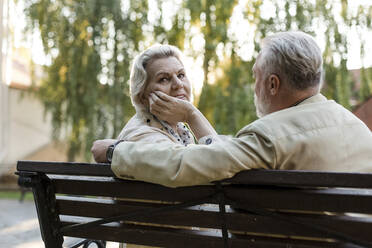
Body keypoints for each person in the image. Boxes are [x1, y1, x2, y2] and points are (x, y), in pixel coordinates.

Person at [92, 31, 372, 187]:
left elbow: (186, 164)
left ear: (272, 84)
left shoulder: (269, 137)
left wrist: (115, 151)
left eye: (255, 76)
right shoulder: (359, 129)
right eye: (164, 78)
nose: (254, 86)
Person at [91, 44, 216, 163]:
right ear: (143, 96)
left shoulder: (179, 129)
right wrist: (191, 114)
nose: (178, 84)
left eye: (181, 75)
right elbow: (215, 164)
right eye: (164, 79)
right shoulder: (142, 135)